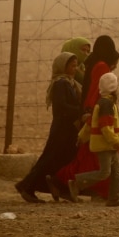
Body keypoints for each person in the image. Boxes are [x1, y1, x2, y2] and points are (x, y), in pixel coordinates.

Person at [56, 35, 119, 200]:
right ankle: (67, 181)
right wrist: (91, 112)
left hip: (93, 114)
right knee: (99, 159)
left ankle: (118, 192)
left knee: (94, 158)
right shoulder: (102, 68)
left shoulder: (95, 64)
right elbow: (95, 90)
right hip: (98, 117)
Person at [14, 50, 83, 204]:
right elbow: (61, 107)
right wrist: (80, 111)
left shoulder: (70, 83)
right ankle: (27, 187)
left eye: (75, 66)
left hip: (68, 129)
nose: (74, 69)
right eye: (72, 66)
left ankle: (59, 187)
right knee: (49, 159)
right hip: (61, 130)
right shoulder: (60, 83)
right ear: (62, 67)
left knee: (63, 159)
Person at [69, 72, 119, 207]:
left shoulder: (102, 103)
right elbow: (105, 127)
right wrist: (115, 141)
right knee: (105, 172)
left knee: (116, 171)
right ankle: (77, 182)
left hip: (109, 144)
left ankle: (114, 198)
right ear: (113, 88)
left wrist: (81, 136)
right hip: (105, 144)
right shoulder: (106, 104)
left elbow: (90, 123)